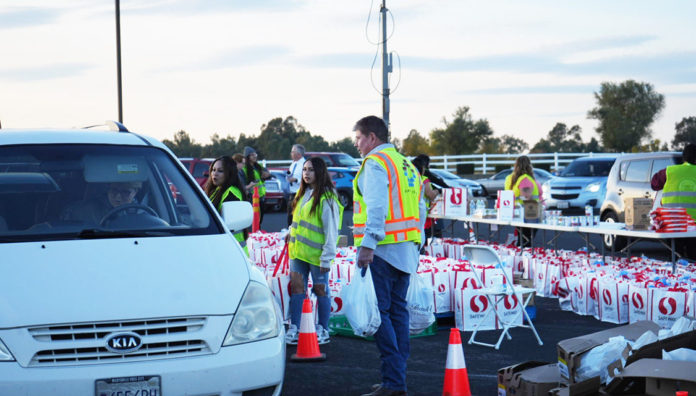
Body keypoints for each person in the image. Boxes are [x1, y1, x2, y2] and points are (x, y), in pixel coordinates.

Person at [353, 116, 424, 396]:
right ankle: (395, 380)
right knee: (397, 315)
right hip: (406, 250)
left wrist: (367, 245)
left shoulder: (375, 163)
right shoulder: (406, 164)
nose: (357, 144)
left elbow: (377, 208)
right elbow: (420, 207)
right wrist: (417, 241)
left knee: (380, 316)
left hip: (382, 251)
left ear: (372, 137)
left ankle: (394, 382)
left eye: (358, 138)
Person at [284, 157, 343, 346]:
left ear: (320, 172)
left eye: (311, 170)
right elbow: (298, 222)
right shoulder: (302, 194)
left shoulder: (326, 197)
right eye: (304, 170)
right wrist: (290, 232)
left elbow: (331, 231)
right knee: (297, 291)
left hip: (317, 256)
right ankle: (295, 327)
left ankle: (323, 328)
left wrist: (327, 258)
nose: (307, 173)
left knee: (321, 290)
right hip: (298, 254)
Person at [651, 143, 696, 259]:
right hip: (694, 224)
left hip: (671, 223)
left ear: (684, 157)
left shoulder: (669, 171)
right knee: (693, 256)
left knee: (676, 256)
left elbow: (654, 184)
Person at [205, 156, 248, 250]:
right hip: (222, 247)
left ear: (229, 173)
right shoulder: (216, 190)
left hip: (233, 251)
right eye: (213, 170)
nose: (214, 174)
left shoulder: (232, 192)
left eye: (220, 171)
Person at [61, 181, 144, 224]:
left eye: (125, 192)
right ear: (108, 189)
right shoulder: (83, 210)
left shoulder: (143, 215)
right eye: (114, 190)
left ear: (135, 192)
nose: (118, 197)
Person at [504, 155, 543, 247]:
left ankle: (520, 257)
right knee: (526, 241)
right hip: (529, 211)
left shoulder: (510, 178)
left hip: (515, 210)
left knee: (522, 239)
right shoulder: (525, 179)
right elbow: (526, 197)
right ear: (529, 165)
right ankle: (524, 258)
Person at [411, 156, 440, 247]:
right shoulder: (424, 179)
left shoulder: (411, 178)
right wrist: (437, 191)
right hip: (424, 212)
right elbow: (430, 195)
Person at [243, 146, 272, 225]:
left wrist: (267, 175)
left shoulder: (258, 166)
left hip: (261, 196)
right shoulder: (244, 169)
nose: (255, 156)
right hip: (252, 198)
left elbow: (268, 174)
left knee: (259, 220)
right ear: (247, 157)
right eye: (252, 154)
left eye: (255, 154)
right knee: (254, 220)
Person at [286, 144, 306, 226]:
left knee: (295, 216)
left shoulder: (304, 164)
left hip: (299, 193)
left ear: (299, 154)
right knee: (290, 216)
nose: (291, 153)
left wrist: (296, 179)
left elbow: (306, 178)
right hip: (292, 192)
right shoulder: (294, 163)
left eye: (293, 151)